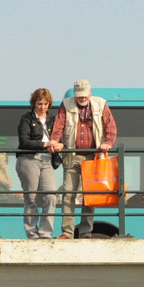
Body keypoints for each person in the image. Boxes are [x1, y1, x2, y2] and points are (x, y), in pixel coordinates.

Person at [48, 79, 117, 239]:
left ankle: (86, 232)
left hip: (93, 157)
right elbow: (59, 126)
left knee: (90, 196)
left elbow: (110, 126)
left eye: (84, 95)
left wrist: (107, 142)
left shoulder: (101, 104)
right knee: (68, 193)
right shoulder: (66, 104)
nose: (82, 98)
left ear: (90, 93)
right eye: (79, 96)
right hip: (72, 155)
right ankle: (67, 232)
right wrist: (55, 141)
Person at [17, 88, 59, 239]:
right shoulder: (26, 119)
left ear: (49, 104)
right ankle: (32, 233)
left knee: (51, 196)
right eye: (39, 103)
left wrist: (60, 145)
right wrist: (45, 144)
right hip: (29, 160)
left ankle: (45, 233)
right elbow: (24, 141)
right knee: (31, 198)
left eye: (45, 103)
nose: (42, 107)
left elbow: (60, 138)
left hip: (47, 161)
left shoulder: (53, 120)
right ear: (34, 103)